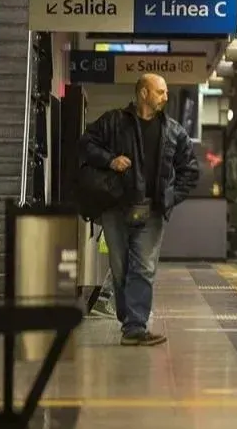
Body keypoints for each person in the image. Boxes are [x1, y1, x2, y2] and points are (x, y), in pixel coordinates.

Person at [79, 73, 200, 346]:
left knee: (143, 267)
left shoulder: (174, 132)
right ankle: (129, 320)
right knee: (120, 268)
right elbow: (85, 145)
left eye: (166, 92)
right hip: (115, 207)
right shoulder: (112, 122)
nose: (165, 97)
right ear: (143, 93)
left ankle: (135, 326)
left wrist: (170, 197)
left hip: (152, 211)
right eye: (160, 92)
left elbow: (190, 171)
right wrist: (110, 161)